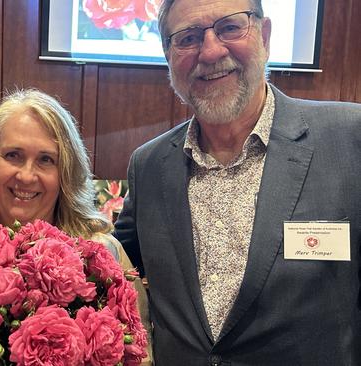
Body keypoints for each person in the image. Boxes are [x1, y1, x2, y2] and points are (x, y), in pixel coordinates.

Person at [114, 0, 360, 364]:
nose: (211, 51)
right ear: (168, 56)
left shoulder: (349, 140)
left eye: (229, 28)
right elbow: (113, 272)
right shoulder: (148, 166)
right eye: (188, 38)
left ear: (265, 35)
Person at [0, 89, 153, 364]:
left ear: (65, 172)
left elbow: (140, 355)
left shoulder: (104, 253)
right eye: (13, 155)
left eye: (46, 160)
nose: (27, 175)